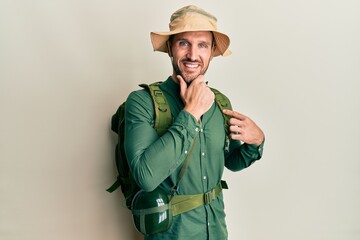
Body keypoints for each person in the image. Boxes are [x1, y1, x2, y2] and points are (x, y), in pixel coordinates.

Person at [124, 5, 265, 240]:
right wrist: (191, 113)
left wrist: (256, 143)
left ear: (211, 52)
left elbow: (231, 161)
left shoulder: (220, 102)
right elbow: (145, 177)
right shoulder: (142, 102)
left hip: (217, 230)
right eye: (183, 43)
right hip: (171, 234)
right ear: (170, 47)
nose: (192, 55)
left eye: (202, 45)